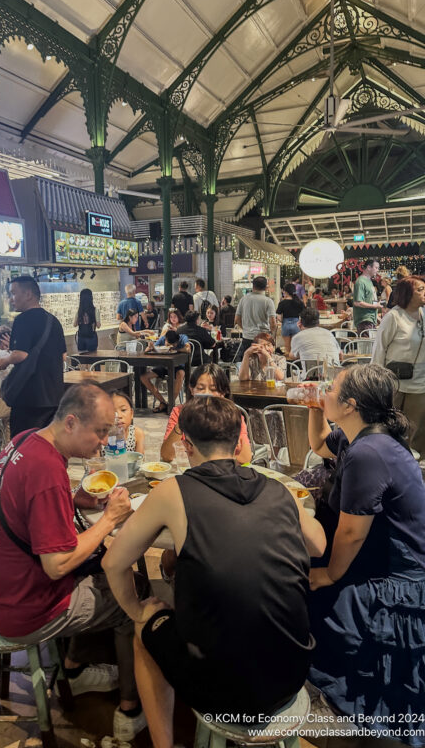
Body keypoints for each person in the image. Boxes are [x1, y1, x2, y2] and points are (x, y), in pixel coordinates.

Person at [103, 396, 323, 748]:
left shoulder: (174, 490)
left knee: (145, 625)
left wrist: (136, 610)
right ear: (239, 443)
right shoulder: (278, 488)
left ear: (186, 444)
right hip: (292, 674)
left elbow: (113, 562)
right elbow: (319, 545)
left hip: (223, 692)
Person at [0, 383, 147, 741]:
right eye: (100, 432)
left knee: (103, 573)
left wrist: (75, 498)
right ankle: (130, 708)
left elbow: (28, 503)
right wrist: (109, 519)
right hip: (24, 609)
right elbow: (56, 565)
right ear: (70, 422)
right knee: (128, 596)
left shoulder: (25, 439)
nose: (104, 441)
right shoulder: (46, 471)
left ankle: (75, 667)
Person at [307, 365, 425, 744]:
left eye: (331, 389)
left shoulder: (369, 452)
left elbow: (352, 532)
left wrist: (330, 575)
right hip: (380, 556)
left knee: (309, 588)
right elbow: (319, 444)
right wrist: (313, 407)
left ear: (351, 404)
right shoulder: (364, 434)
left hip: (400, 578)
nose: (325, 391)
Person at [0, 276, 66, 435]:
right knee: (50, 442)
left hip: (29, 397)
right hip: (54, 395)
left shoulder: (23, 320)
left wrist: (6, 361)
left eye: (13, 293)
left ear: (28, 294)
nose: (11, 299)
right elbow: (63, 356)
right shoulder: (53, 320)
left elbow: (21, 355)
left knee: (24, 443)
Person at [372, 275, 425, 455]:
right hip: (394, 384)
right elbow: (379, 349)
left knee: (416, 435)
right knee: (390, 431)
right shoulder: (394, 317)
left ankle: (414, 472)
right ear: (407, 293)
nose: (424, 292)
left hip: (420, 384)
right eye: (420, 289)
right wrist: (377, 382)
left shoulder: (423, 315)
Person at [161, 363, 251, 465]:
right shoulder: (179, 412)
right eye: (200, 388)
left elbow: (245, 457)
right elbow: (166, 456)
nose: (206, 394)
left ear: (223, 393)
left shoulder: (231, 415)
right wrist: (182, 422)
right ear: (192, 390)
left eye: (213, 389)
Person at [141, 329, 190, 413]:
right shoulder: (163, 338)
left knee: (181, 374)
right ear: (166, 339)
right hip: (163, 366)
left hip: (177, 366)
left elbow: (188, 349)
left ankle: (171, 403)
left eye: (174, 343)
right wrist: (150, 347)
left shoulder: (183, 337)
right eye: (169, 343)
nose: (171, 345)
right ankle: (163, 402)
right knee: (143, 377)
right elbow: (146, 351)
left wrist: (176, 349)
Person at [234, 276, 277, 358]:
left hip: (246, 337)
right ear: (266, 287)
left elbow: (237, 319)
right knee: (262, 366)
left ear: (253, 286)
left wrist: (245, 329)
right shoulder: (268, 301)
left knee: (248, 364)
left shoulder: (244, 299)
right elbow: (273, 323)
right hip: (263, 339)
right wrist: (272, 336)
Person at [353, 258, 382, 336]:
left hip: (371, 319)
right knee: (367, 346)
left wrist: (378, 318)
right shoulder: (360, 281)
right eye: (376, 268)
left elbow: (372, 300)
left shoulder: (369, 281)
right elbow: (357, 302)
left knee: (371, 346)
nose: (377, 270)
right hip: (364, 320)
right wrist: (374, 306)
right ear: (369, 267)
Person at [276, 283, 304, 354]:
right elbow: (304, 314)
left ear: (286, 291)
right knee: (295, 346)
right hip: (296, 325)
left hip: (286, 325)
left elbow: (278, 317)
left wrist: (283, 321)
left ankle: (288, 363)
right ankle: (295, 362)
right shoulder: (299, 302)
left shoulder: (282, 303)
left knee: (287, 347)